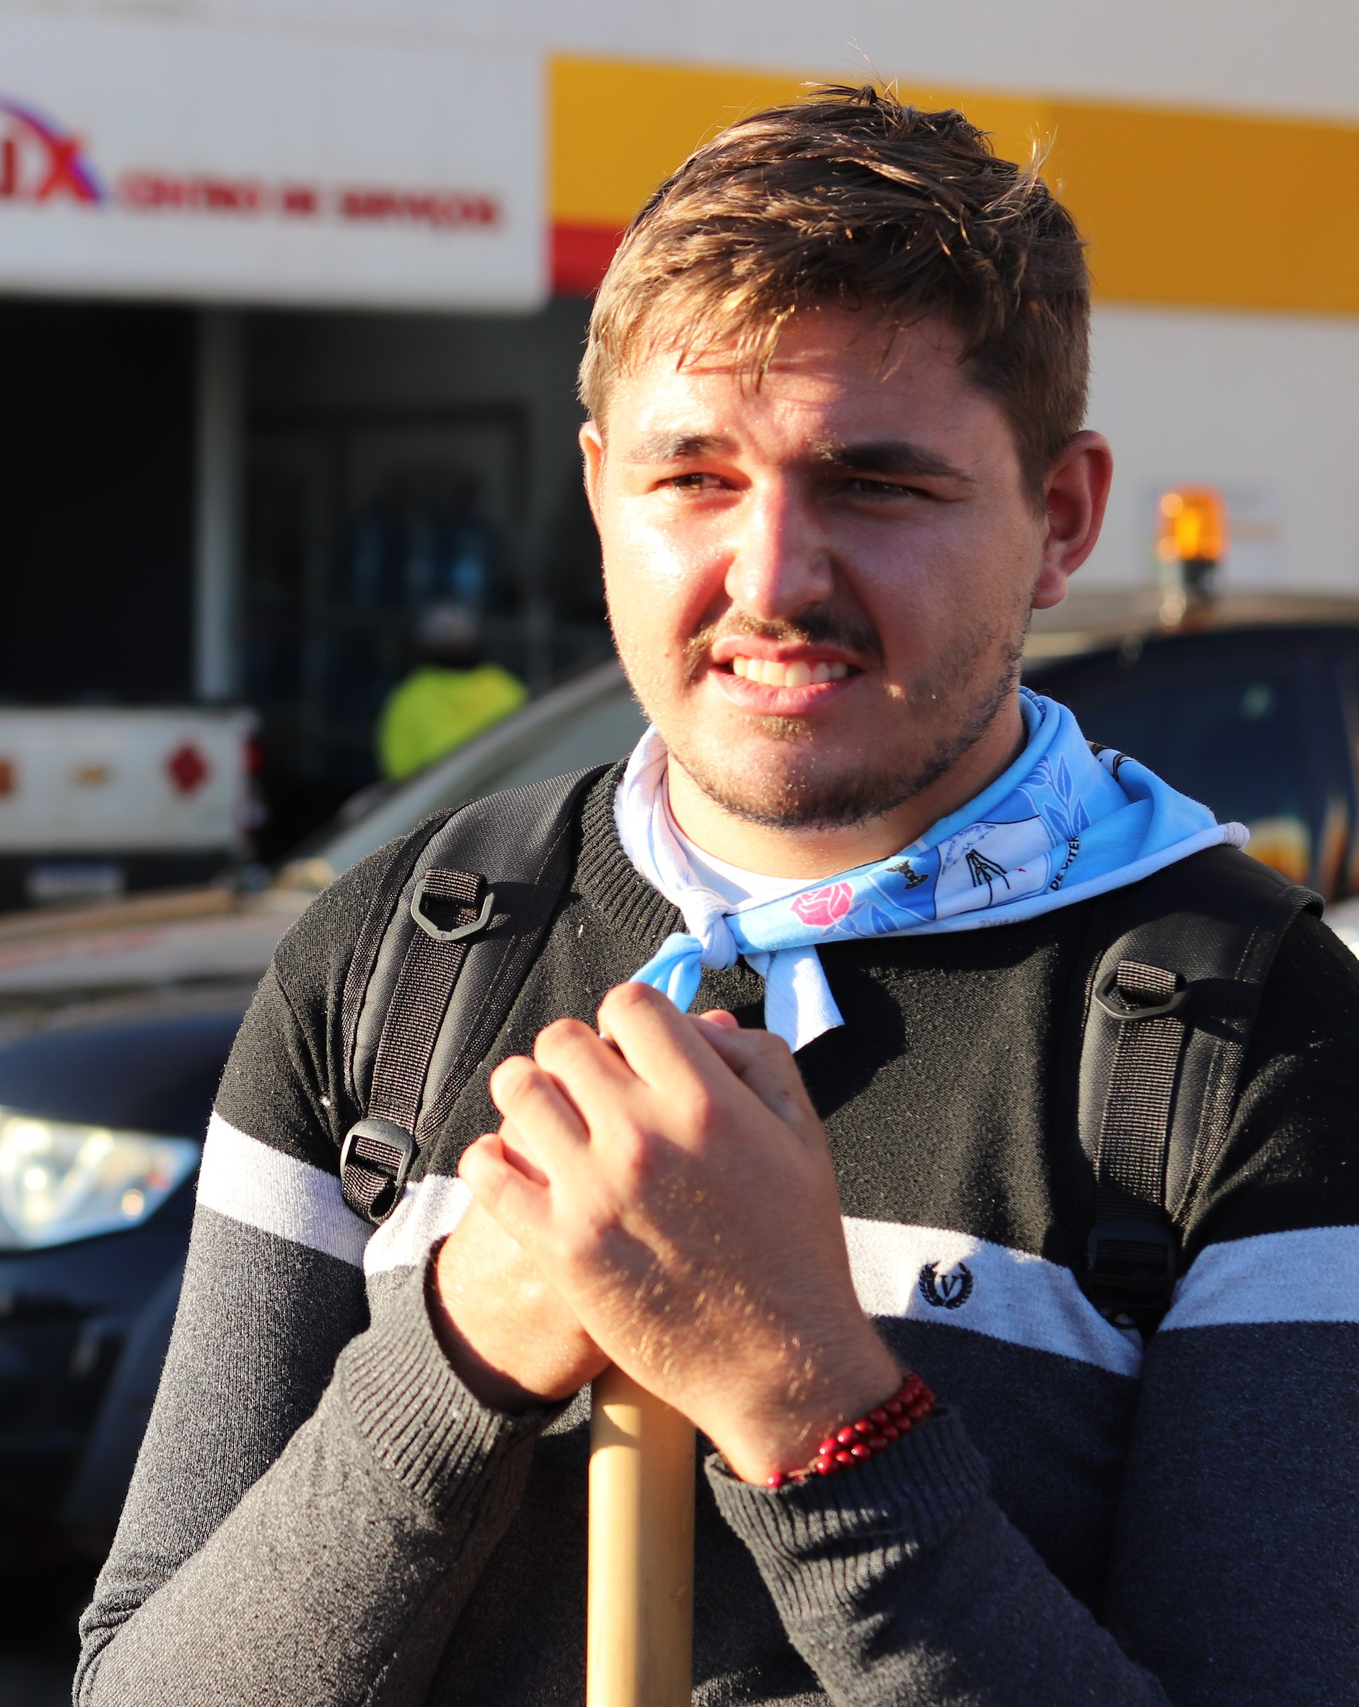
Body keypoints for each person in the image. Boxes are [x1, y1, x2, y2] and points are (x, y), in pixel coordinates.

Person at [77, 87, 1359, 1703]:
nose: (770, 579)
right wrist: (461, 1347)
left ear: (1063, 518)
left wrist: (814, 1409)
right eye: (694, 476)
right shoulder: (394, 957)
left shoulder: (1264, 1043)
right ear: (601, 487)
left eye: (876, 484)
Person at [375, 602, 526, 780]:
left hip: (434, 801)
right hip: (502, 798)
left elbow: (397, 770)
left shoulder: (409, 696)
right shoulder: (506, 688)